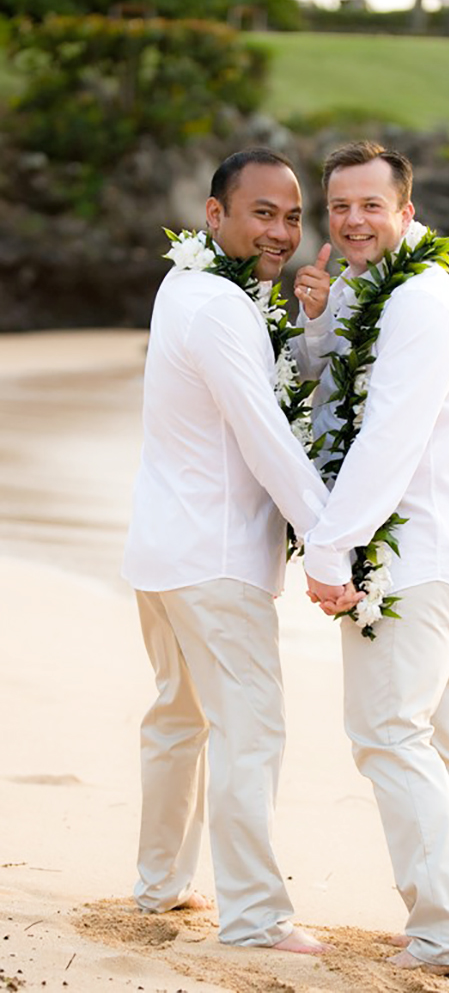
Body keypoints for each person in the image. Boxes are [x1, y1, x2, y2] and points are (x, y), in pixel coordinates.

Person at [122, 147, 357, 954]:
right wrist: (332, 540)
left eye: (294, 216)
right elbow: (267, 439)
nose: (283, 230)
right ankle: (256, 913)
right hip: (214, 556)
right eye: (263, 212)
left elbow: (262, 392)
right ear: (213, 215)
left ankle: (158, 886)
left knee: (177, 722)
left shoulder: (187, 286)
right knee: (250, 730)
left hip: (163, 548)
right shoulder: (220, 305)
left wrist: (311, 326)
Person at [294, 141, 449, 976]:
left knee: (388, 733)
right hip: (433, 550)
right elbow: (328, 389)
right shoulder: (369, 290)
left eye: (370, 205)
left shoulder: (421, 300)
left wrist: (331, 547)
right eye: (339, 206)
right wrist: (317, 318)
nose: (351, 221)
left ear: (406, 211)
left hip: (412, 553)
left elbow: (389, 439)